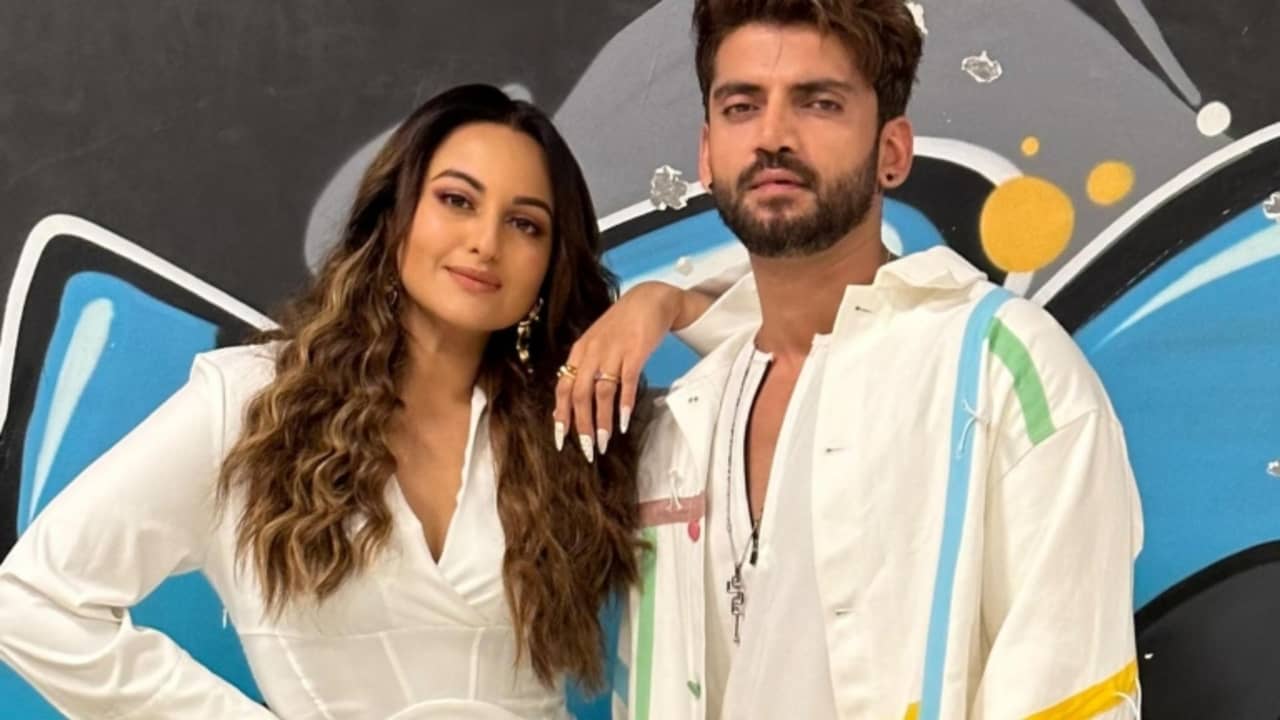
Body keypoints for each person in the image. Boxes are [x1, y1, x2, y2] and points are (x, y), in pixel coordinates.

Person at [556, 1, 1144, 718]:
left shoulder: (1000, 370)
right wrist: (665, 300)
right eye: (742, 107)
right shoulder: (681, 426)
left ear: (892, 151)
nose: (773, 136)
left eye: (820, 103)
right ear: (707, 153)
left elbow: (1072, 687)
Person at [0, 84, 649, 719]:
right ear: (394, 215)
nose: (486, 241)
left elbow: (715, 432)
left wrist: (666, 303)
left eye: (524, 223)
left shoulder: (576, 422)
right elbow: (31, 599)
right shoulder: (254, 405)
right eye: (456, 200)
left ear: (550, 262)